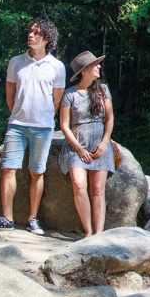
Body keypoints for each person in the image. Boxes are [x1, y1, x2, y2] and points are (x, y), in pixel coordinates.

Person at [0, 19, 66, 235]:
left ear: (47, 39)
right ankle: (6, 218)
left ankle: (32, 219)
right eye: (30, 31)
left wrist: (43, 117)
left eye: (36, 33)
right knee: (8, 169)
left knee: (37, 172)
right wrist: (18, 114)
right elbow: (10, 95)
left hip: (43, 127)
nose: (30, 35)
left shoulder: (57, 67)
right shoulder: (16, 62)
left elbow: (57, 100)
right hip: (17, 125)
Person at [57, 51, 115, 237]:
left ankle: (98, 233)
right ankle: (88, 232)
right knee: (79, 185)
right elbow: (64, 126)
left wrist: (104, 143)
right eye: (94, 65)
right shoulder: (70, 94)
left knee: (98, 189)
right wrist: (79, 148)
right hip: (77, 145)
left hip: (99, 143)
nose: (98, 67)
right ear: (84, 71)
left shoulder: (103, 90)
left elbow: (109, 118)